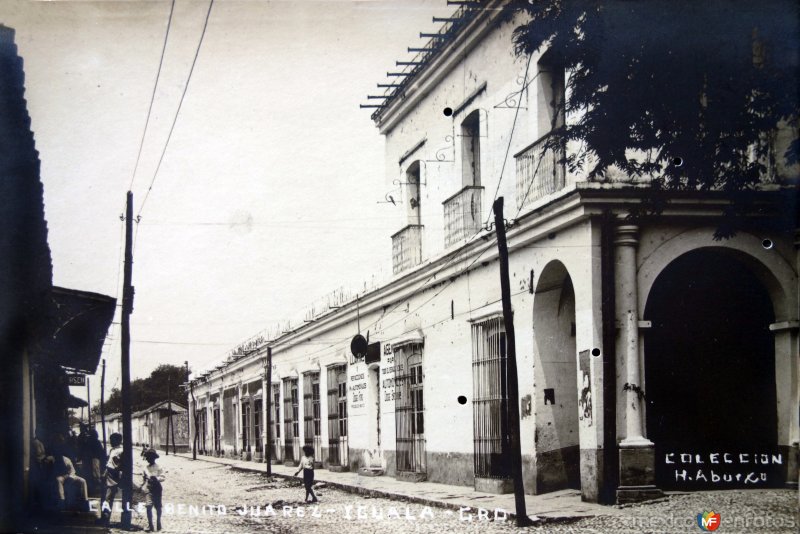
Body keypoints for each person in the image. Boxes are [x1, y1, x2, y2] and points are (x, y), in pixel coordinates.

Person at [99, 433, 123, 525]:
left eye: (112, 440)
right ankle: (104, 517)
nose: (111, 441)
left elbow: (120, 465)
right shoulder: (112, 450)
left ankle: (105, 519)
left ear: (118, 440)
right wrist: (104, 473)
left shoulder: (121, 451)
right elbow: (108, 462)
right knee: (104, 497)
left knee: (108, 498)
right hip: (107, 474)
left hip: (114, 475)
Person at [139, 448, 165, 532]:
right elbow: (143, 479)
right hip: (149, 489)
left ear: (154, 458)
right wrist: (141, 485)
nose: (149, 459)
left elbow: (163, 477)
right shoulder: (145, 468)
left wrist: (156, 478)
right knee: (148, 506)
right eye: (148, 458)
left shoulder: (159, 467)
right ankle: (150, 525)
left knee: (158, 507)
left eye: (151, 458)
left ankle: (158, 522)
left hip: (157, 488)